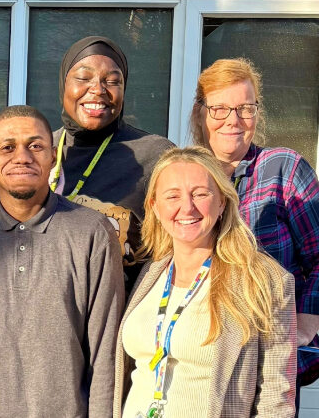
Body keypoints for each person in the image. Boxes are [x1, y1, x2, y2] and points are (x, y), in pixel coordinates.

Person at [0, 105, 124, 417]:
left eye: (35, 146)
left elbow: (106, 354)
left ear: (53, 158)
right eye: (7, 147)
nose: (22, 157)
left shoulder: (92, 233)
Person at [115, 146, 296, 417]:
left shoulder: (264, 280)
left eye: (200, 194)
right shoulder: (151, 272)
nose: (187, 207)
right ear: (154, 205)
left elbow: (275, 398)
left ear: (222, 202)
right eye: (172, 195)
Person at [190, 57, 319, 389]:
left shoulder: (283, 169)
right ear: (201, 113)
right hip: (196, 361)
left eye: (245, 108)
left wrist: (307, 322)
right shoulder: (186, 177)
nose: (233, 120)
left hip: (265, 366)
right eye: (219, 109)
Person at [50, 36, 173, 283]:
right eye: (83, 78)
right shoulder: (40, 151)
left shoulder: (155, 155)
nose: (98, 89)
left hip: (121, 314)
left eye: (113, 81)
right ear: (64, 84)